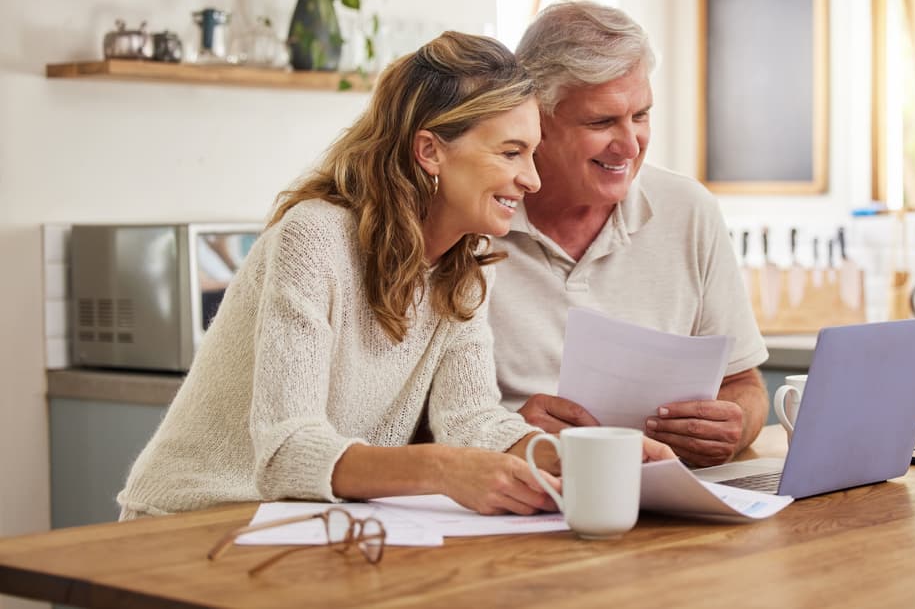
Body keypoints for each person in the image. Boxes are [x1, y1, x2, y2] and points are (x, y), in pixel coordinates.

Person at [118, 32, 670, 521]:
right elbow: (286, 452)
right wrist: (442, 469)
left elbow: (471, 420)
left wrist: (587, 453)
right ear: (430, 150)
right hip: (190, 520)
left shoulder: (465, 262)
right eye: (510, 153)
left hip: (304, 529)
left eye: (531, 154)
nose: (530, 179)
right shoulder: (314, 239)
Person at [490, 2, 770, 468]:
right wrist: (504, 434)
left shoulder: (688, 209)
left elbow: (745, 386)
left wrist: (734, 426)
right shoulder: (474, 218)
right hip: (519, 501)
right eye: (602, 122)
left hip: (665, 502)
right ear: (535, 118)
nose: (630, 144)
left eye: (640, 115)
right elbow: (404, 422)